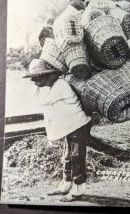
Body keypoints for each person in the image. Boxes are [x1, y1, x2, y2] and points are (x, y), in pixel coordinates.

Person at [23, 59, 91, 202]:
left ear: (48, 76)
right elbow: (36, 99)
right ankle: (66, 186)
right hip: (69, 126)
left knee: (77, 156)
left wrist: (43, 85)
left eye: (38, 77)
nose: (35, 81)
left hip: (78, 125)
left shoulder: (60, 85)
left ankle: (77, 191)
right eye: (33, 78)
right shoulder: (49, 85)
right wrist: (41, 84)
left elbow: (44, 101)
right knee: (67, 156)